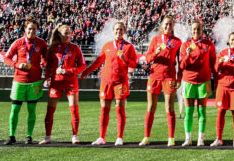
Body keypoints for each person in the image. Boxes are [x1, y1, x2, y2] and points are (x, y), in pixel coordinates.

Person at [81, 20, 138, 146]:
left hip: (120, 82)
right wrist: (86, 71)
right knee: (104, 110)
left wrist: (126, 58)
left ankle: (119, 137)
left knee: (119, 109)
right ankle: (102, 137)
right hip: (106, 81)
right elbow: (98, 61)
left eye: (121, 29)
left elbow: (134, 64)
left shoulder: (129, 47)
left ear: (124, 31)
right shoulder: (107, 45)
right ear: (113, 31)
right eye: (117, 29)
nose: (119, 31)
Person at [3, 18, 49, 145]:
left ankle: (29, 136)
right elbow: (6, 59)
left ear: (37, 30)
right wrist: (17, 65)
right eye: (29, 28)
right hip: (19, 81)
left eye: (34, 29)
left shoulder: (42, 44)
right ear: (25, 29)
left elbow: (46, 60)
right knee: (15, 110)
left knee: (32, 109)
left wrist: (43, 65)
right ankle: (12, 135)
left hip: (35, 82)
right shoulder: (18, 43)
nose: (32, 31)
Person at [140, 14, 182, 147]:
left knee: (169, 108)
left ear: (173, 26)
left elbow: (180, 62)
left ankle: (171, 138)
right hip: (154, 76)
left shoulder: (178, 42)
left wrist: (179, 78)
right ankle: (146, 137)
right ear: (162, 26)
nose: (168, 26)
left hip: (169, 77)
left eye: (170, 24)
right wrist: (155, 53)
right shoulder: (155, 40)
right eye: (166, 24)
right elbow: (147, 59)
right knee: (151, 107)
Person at [40, 24, 85, 144]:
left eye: (70, 32)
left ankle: (75, 136)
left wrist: (69, 71)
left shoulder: (75, 48)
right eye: (66, 32)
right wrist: (48, 78)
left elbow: (82, 65)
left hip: (71, 81)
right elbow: (48, 66)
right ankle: (47, 136)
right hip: (56, 82)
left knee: (74, 110)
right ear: (59, 34)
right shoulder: (52, 48)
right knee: (50, 110)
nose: (69, 34)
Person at [178, 20, 216, 147]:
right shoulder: (185, 45)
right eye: (194, 29)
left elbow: (213, 63)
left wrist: (216, 78)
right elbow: (182, 65)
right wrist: (187, 55)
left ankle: (201, 138)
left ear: (202, 30)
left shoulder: (208, 44)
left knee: (202, 111)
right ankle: (188, 138)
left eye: (198, 29)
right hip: (188, 81)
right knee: (188, 111)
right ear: (191, 30)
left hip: (203, 81)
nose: (196, 31)